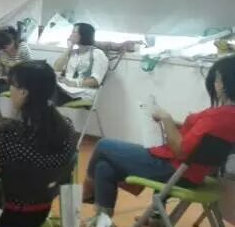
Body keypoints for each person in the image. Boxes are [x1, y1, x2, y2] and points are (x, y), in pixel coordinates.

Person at [84, 55, 235, 215]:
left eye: (218, 80)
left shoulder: (216, 117)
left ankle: (88, 190)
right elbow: (202, 140)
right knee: (104, 167)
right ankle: (108, 224)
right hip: (194, 173)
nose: (215, 84)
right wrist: (173, 124)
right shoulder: (228, 116)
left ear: (227, 83)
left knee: (104, 145)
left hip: (175, 170)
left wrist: (166, 118)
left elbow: (180, 151)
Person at [0, 61, 77, 227]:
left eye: (11, 85)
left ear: (23, 92)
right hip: (40, 213)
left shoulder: (10, 135)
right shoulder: (67, 128)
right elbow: (36, 153)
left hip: (6, 216)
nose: (9, 90)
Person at [52, 23, 108, 105]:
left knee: (47, 94)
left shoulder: (97, 54)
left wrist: (73, 83)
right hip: (66, 89)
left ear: (83, 35)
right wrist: (70, 47)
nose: (70, 35)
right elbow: (56, 68)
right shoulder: (73, 53)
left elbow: (96, 81)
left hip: (83, 93)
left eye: (74, 32)